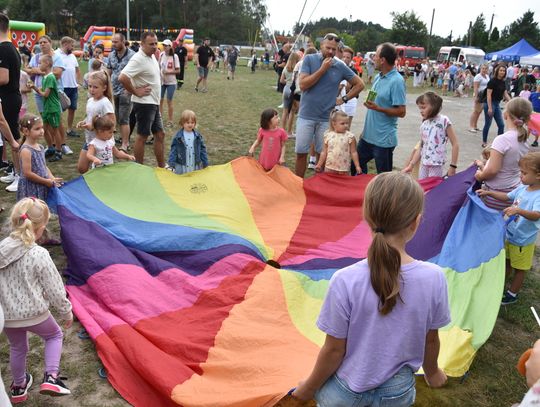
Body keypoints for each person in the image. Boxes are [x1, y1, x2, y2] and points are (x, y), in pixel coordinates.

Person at [292, 172, 450, 405]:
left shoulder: (344, 280)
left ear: (367, 217)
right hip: (397, 392)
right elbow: (431, 340)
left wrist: (309, 388)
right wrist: (433, 372)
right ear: (416, 222)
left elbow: (334, 351)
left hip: (344, 392)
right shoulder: (434, 278)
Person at [0, 198, 73, 403]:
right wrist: (66, 311)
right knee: (54, 336)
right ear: (40, 229)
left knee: (17, 347)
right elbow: (55, 289)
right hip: (35, 312)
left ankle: (18, 386)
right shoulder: (39, 254)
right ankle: (51, 377)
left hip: (8, 316)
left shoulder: (1, 249)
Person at [295, 33, 364, 178]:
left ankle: (319, 186)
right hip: (306, 115)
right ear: (321, 46)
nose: (331, 52)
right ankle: (298, 184)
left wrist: (343, 99)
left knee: (324, 156)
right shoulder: (309, 59)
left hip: (326, 119)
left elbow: (360, 84)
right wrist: (322, 70)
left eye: (334, 49)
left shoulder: (340, 66)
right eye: (328, 48)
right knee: (301, 153)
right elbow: (302, 85)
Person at [476, 152, 540, 305]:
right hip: (511, 234)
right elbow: (507, 197)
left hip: (523, 241)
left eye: (524, 173)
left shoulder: (538, 196)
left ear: (538, 175)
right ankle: (500, 283)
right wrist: (489, 192)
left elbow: (537, 215)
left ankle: (512, 294)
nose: (520, 176)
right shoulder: (523, 188)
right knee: (507, 261)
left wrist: (518, 211)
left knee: (519, 268)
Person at [357, 43, 406, 175]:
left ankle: (384, 196)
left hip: (384, 140)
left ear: (383, 60)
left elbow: (402, 112)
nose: (373, 59)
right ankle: (364, 190)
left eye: (376, 56)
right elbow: (374, 101)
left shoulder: (397, 81)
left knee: (384, 177)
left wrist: (378, 108)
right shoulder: (378, 77)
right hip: (367, 137)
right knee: (355, 165)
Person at [475, 97, 532, 210]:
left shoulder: (502, 140)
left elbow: (492, 170)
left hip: (495, 194)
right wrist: (483, 166)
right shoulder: (525, 140)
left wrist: (480, 176)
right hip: (513, 192)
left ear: (506, 114)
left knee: (488, 223)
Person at [119, 31, 165, 167]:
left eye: (156, 43)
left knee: (160, 134)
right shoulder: (138, 58)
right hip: (144, 104)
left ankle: (162, 167)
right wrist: (136, 91)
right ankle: (139, 169)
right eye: (151, 44)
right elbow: (122, 77)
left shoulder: (151, 57)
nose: (155, 46)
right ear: (142, 44)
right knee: (142, 136)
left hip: (153, 103)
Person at [25, 35, 66, 159]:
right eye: (40, 42)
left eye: (44, 42)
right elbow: (27, 69)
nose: (42, 44)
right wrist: (35, 86)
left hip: (51, 102)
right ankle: (51, 148)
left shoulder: (52, 70)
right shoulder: (38, 59)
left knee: (55, 126)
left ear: (50, 43)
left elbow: (57, 74)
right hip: (43, 99)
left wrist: (36, 72)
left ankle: (59, 149)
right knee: (46, 125)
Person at [402, 92, 459, 179]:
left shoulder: (444, 121)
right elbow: (421, 147)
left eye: (423, 107)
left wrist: (453, 166)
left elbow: (455, 144)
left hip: (436, 165)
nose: (421, 111)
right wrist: (411, 165)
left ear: (434, 106)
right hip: (424, 164)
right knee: (422, 188)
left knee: (432, 189)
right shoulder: (424, 124)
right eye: (420, 108)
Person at [76, 70, 116, 173]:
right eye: (90, 86)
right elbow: (90, 116)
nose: (92, 90)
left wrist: (93, 127)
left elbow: (111, 123)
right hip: (90, 139)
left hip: (102, 142)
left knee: (102, 170)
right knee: (82, 168)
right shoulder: (90, 101)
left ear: (104, 88)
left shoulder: (105, 103)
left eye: (95, 87)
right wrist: (84, 122)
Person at [0, 13, 22, 193]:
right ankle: (15, 172)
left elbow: (3, 78)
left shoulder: (4, 49)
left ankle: (21, 175)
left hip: (8, 98)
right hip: (9, 97)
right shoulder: (10, 47)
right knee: (9, 136)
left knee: (14, 137)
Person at [17, 114, 62, 202]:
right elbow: (28, 174)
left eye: (42, 128)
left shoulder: (40, 147)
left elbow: (43, 166)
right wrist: (46, 182)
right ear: (26, 131)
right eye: (37, 129)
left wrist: (52, 178)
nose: (41, 131)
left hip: (42, 184)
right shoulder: (26, 150)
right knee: (33, 211)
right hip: (31, 187)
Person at [107, 33, 135, 153]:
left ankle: (125, 143)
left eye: (116, 42)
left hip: (126, 91)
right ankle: (122, 138)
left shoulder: (132, 56)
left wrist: (129, 89)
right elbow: (109, 71)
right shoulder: (111, 55)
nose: (113, 44)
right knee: (117, 117)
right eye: (112, 42)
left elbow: (136, 73)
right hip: (114, 90)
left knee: (124, 118)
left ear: (123, 42)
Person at [315, 110, 361, 175]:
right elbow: (324, 152)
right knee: (329, 183)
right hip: (329, 167)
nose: (346, 125)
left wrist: (357, 166)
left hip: (344, 169)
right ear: (334, 124)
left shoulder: (350, 137)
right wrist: (319, 164)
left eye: (347, 123)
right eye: (342, 123)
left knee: (343, 184)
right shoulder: (328, 135)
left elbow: (354, 152)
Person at [167, 109, 208, 174]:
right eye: (188, 122)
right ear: (182, 123)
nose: (190, 124)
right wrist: (171, 164)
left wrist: (205, 163)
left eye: (192, 122)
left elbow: (203, 150)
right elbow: (173, 151)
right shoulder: (178, 137)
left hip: (194, 164)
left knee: (193, 178)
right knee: (182, 180)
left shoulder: (198, 136)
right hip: (182, 165)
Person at [56, 37, 80, 138]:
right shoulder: (56, 55)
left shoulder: (73, 56)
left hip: (73, 87)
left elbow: (77, 70)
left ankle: (69, 129)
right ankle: (57, 129)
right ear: (65, 44)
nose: (73, 47)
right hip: (62, 87)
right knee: (59, 110)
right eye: (72, 45)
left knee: (72, 108)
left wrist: (78, 83)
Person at [482, 63, 512, 148]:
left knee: (501, 125)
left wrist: (513, 102)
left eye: (504, 71)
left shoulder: (503, 82)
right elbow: (488, 95)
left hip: (497, 104)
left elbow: (505, 94)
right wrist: (490, 108)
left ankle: (500, 143)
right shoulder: (492, 81)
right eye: (501, 70)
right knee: (488, 124)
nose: (502, 72)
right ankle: (484, 141)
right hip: (490, 104)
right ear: (497, 71)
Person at [159, 39, 180, 127]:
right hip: (162, 81)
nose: (164, 47)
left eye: (166, 45)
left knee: (169, 101)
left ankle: (170, 121)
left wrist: (168, 72)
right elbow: (158, 66)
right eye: (163, 45)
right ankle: (159, 119)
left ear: (170, 46)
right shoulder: (161, 54)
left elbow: (178, 70)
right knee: (160, 100)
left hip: (171, 82)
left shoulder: (175, 56)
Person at [279, 52, 300, 136]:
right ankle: (289, 131)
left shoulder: (285, 68)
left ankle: (282, 131)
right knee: (292, 112)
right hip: (293, 90)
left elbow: (281, 81)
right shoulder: (298, 69)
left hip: (286, 89)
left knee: (285, 111)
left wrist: (287, 82)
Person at [469, 64, 489, 133]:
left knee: (479, 111)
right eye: (483, 68)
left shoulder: (487, 76)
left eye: (485, 69)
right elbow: (475, 87)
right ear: (480, 69)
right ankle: (471, 126)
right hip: (479, 96)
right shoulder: (478, 76)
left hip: (484, 96)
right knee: (475, 111)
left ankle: (475, 125)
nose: (484, 70)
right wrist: (476, 97)